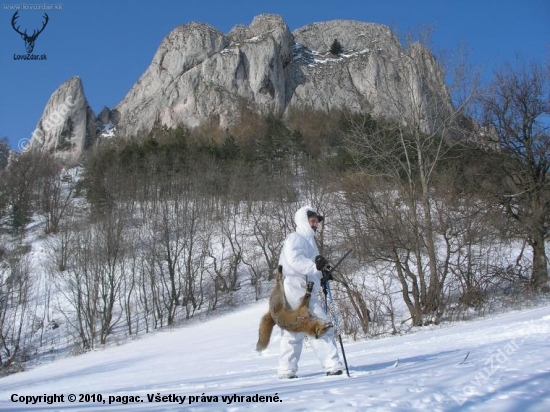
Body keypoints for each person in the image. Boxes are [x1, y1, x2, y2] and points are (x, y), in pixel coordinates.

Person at [277, 205, 343, 379]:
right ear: (303, 221)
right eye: (312, 221)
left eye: (316, 222)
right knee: (321, 325)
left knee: (294, 331)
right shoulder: (295, 238)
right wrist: (315, 267)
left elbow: (313, 267)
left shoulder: (311, 244)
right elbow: (294, 261)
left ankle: (286, 371)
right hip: (297, 290)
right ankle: (332, 365)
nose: (315, 225)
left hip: (303, 290)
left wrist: (323, 275)